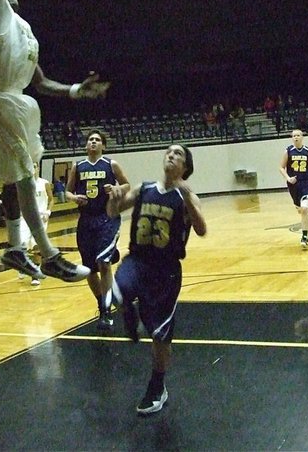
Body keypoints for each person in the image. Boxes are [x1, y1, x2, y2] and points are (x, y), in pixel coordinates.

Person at [0, 0, 108, 282]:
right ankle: (48, 254)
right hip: (0, 99)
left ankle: (16, 248)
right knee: (23, 175)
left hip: (11, 100)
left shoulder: (26, 32)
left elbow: (40, 81)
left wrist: (73, 91)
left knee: (14, 177)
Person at [106, 144, 207, 415]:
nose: (171, 155)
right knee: (115, 294)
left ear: (186, 167)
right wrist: (115, 196)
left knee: (161, 334)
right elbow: (112, 212)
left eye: (179, 154)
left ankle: (157, 387)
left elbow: (201, 230)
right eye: (169, 152)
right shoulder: (144, 188)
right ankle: (129, 313)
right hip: (137, 261)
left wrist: (188, 201)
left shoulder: (186, 196)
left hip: (166, 271)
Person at [66, 129, 130, 330]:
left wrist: (117, 189)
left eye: (97, 140)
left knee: (103, 262)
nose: (93, 142)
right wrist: (74, 198)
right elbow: (67, 191)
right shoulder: (78, 166)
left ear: (103, 145)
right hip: (86, 220)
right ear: (86, 145)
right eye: (90, 140)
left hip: (107, 218)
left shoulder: (111, 164)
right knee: (89, 269)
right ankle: (101, 304)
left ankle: (106, 308)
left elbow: (127, 185)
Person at [278, 129, 308, 250]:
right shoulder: (288, 151)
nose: (296, 137)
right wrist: (288, 178)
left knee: (303, 209)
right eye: (294, 136)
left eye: (298, 135)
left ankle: (304, 237)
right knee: (300, 210)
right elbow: (281, 167)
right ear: (292, 138)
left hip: (306, 182)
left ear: (302, 137)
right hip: (294, 184)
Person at [17, 163, 52, 286]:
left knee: (37, 246)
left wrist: (48, 212)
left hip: (41, 217)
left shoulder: (44, 183)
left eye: (35, 166)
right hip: (25, 217)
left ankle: (35, 275)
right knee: (22, 245)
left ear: (38, 168)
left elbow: (51, 199)